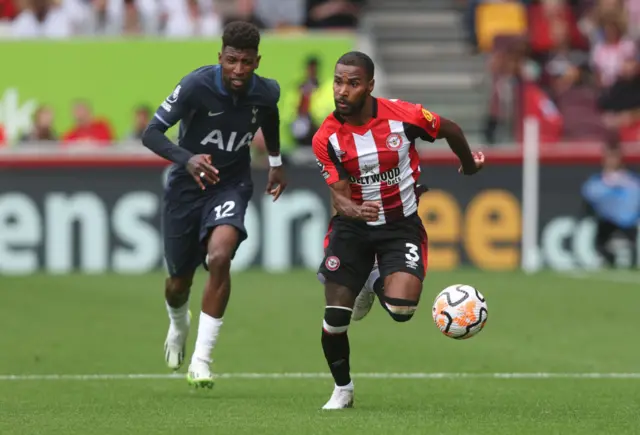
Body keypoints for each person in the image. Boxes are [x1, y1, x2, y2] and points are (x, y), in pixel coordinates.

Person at [312, 51, 485, 410]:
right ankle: (343, 389)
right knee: (336, 318)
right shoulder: (326, 137)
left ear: (370, 86)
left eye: (353, 83)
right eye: (338, 81)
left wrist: (468, 165)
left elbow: (450, 128)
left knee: (402, 310)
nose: (342, 91)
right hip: (351, 229)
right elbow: (338, 198)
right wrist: (356, 210)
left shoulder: (404, 116)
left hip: (399, 226)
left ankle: (372, 277)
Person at [141, 21, 287, 388]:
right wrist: (187, 158)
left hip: (230, 185)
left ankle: (202, 360)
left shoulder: (267, 91)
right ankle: (178, 325)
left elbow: (270, 118)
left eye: (247, 62)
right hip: (186, 188)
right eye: (232, 60)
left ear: (257, 61)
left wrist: (275, 162)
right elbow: (151, 133)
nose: (239, 70)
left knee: (220, 257)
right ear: (220, 57)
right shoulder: (195, 85)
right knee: (178, 283)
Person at [582, 147, 640, 268]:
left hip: (627, 220)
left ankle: (631, 262)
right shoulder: (598, 180)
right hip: (607, 219)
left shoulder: (630, 179)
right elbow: (589, 193)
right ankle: (609, 260)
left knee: (633, 243)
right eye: (609, 158)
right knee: (600, 243)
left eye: (614, 158)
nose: (611, 161)